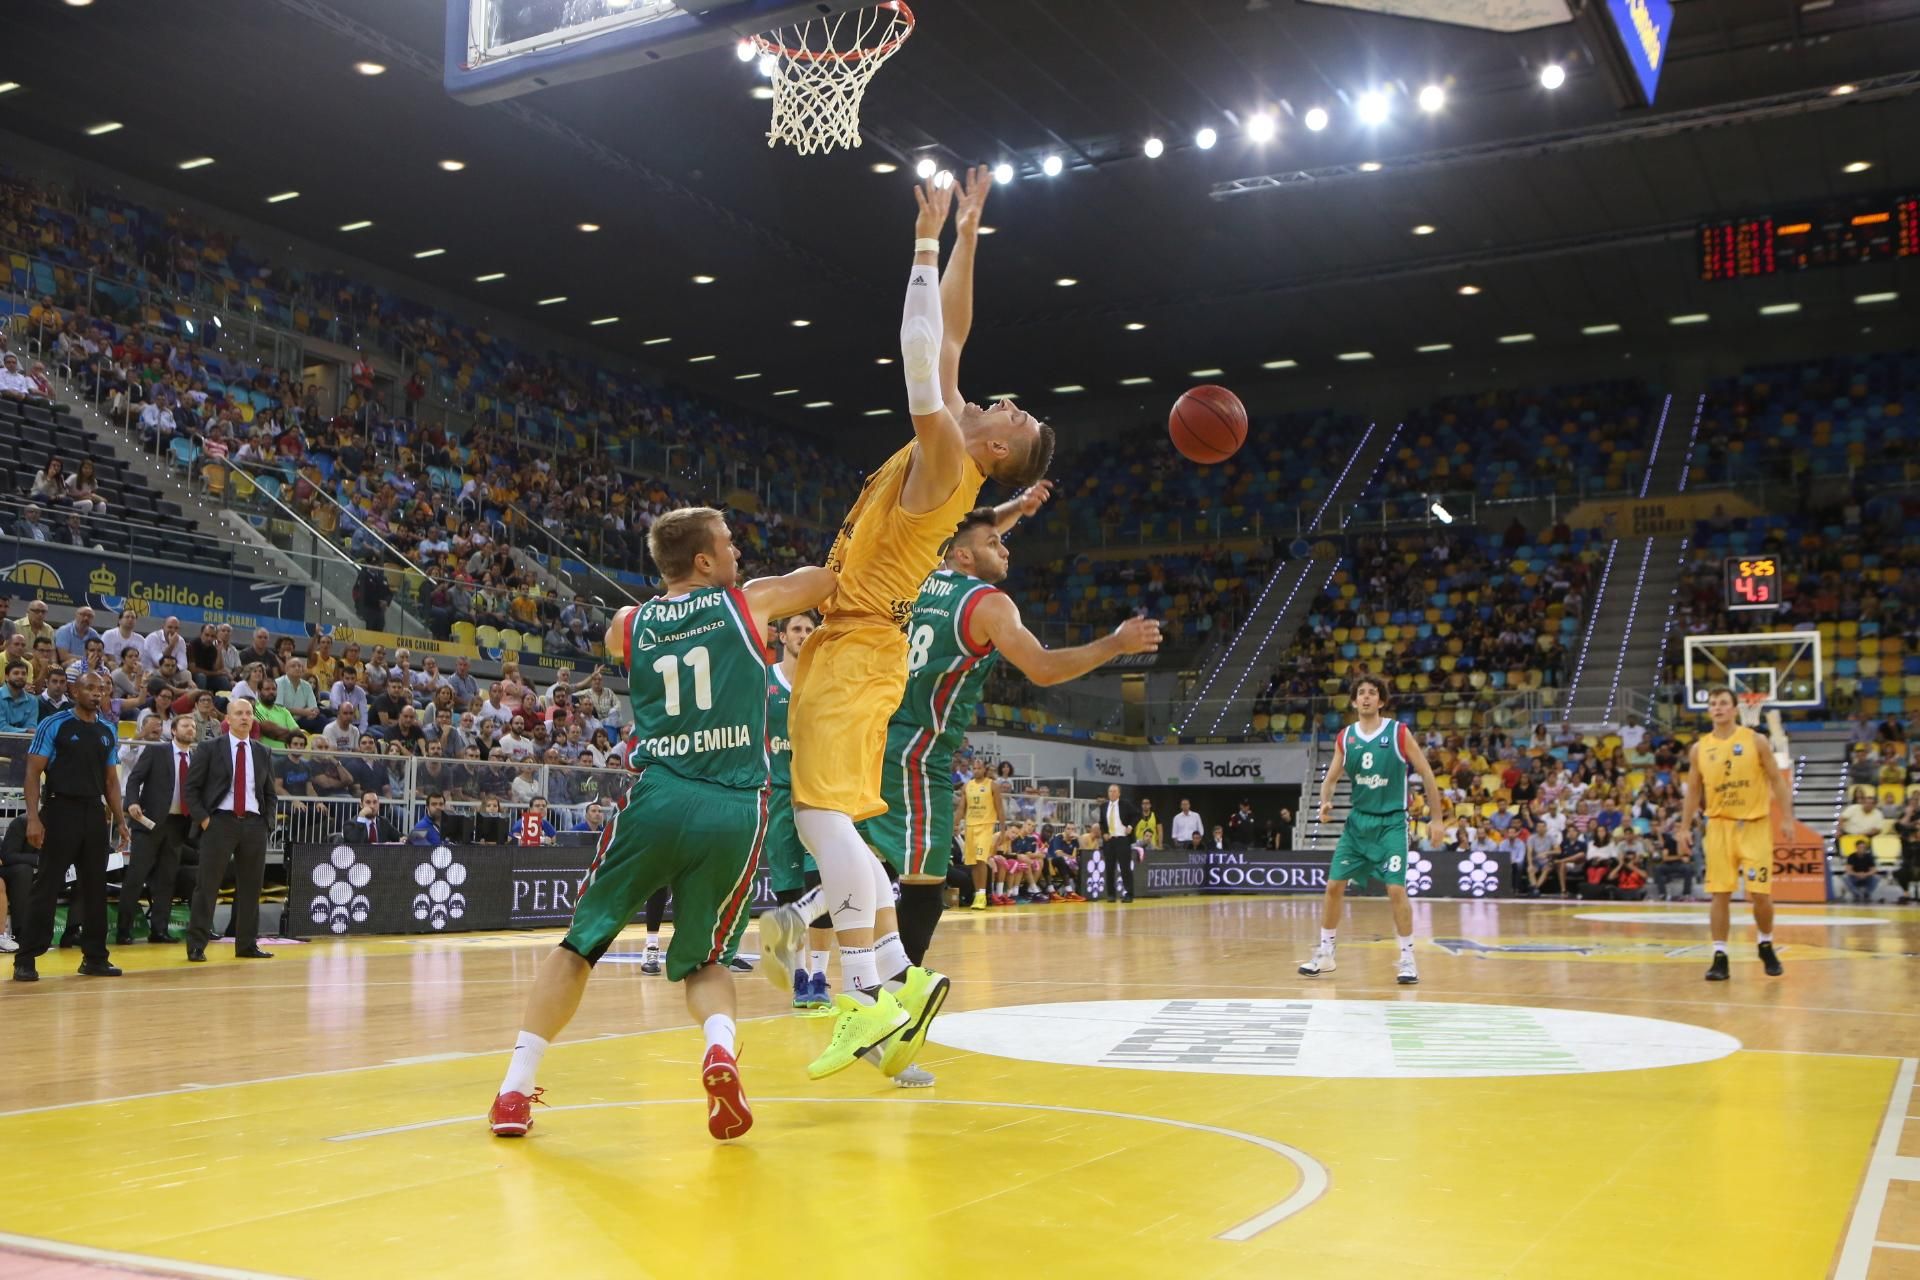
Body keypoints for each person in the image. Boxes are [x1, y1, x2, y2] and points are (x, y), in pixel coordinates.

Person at [768, 166, 1054, 1083]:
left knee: (822, 821)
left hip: (856, 649)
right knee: (830, 825)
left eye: (1010, 411)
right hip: (847, 645)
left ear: (997, 447)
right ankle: (885, 987)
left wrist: (924, 240)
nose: (998, 398)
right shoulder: (956, 457)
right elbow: (956, 328)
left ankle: (875, 986)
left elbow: (920, 343)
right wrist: (971, 231)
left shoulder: (945, 458)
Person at [489, 505, 835, 1142]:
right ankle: (719, 1052)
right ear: (705, 561)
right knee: (707, 961)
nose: (737, 552)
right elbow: (825, 579)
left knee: (579, 947)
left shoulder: (630, 623)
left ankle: (514, 1091)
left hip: (657, 796)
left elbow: (619, 640)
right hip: (734, 808)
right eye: (728, 543)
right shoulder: (750, 602)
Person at [1301, 676, 1450, 985]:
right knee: (1333, 886)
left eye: (1372, 693)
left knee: (1395, 889)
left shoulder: (1398, 732)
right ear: (1354, 702)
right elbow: (1330, 779)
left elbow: (1427, 774)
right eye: (1361, 693)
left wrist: (1437, 820)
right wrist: (1324, 804)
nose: (1366, 697)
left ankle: (1407, 958)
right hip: (1358, 824)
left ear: (1381, 701)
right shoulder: (1346, 737)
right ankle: (1326, 953)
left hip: (1391, 823)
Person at [12, 673, 129, 981]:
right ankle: (26, 958)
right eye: (90, 688)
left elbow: (111, 781)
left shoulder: (107, 730)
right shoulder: (55, 724)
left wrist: (120, 818)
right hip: (60, 809)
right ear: (75, 690)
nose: (96, 693)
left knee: (94, 887)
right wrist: (34, 818)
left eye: (101, 689)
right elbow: (32, 772)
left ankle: (95, 957)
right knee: (47, 885)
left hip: (94, 813)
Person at [1680, 687, 1794, 981]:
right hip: (1718, 826)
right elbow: (1693, 791)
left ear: (1735, 709)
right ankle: (1720, 955)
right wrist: (1683, 828)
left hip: (1754, 824)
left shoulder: (1756, 741)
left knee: (1760, 895)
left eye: (1723, 703)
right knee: (1720, 894)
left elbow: (1777, 781)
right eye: (1713, 704)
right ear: (1709, 711)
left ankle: (1765, 943)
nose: (1717, 708)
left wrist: (1787, 818)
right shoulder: (1699, 749)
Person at [759, 612, 836, 1016]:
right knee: (789, 892)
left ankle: (821, 976)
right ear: (782, 636)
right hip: (778, 795)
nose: (804, 635)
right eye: (797, 630)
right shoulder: (763, 680)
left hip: (816, 790)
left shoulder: (822, 681)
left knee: (818, 887)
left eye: (809, 630)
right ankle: (801, 976)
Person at [184, 697, 277, 962]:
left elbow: (270, 793)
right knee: (207, 886)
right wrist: (205, 820)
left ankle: (247, 944)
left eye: (249, 713)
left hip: (254, 824)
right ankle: (196, 945)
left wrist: (267, 822)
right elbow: (191, 789)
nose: (245, 717)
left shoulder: (262, 751)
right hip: (219, 823)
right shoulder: (210, 748)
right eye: (239, 713)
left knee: (251, 887)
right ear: (227, 718)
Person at [118, 713, 197, 945]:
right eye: (185, 725)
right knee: (135, 877)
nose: (190, 729)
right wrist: (132, 802)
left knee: (166, 879)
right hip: (149, 824)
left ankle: (159, 930)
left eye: (193, 726)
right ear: (173, 730)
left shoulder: (196, 758)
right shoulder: (156, 751)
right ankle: (123, 930)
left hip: (177, 825)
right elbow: (134, 779)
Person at [960, 756, 1004, 907]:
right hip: (970, 826)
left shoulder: (993, 785)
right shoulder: (967, 786)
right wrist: (953, 824)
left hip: (986, 825)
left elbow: (1000, 808)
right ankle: (977, 893)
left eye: (979, 768)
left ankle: (982, 895)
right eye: (974, 768)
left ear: (984, 769)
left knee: (981, 859)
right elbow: (961, 808)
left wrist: (1003, 830)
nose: (976, 770)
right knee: (973, 863)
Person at [1098, 784, 1141, 904]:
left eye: (1114, 791)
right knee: (1109, 868)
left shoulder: (1125, 804)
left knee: (1125, 868)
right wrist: (1104, 833)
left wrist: (1131, 826)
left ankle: (1129, 894)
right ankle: (1111, 894)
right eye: (1110, 791)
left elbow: (1137, 814)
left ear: (1119, 793)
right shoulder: (1104, 806)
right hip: (1109, 841)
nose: (1112, 793)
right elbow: (1101, 822)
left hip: (1122, 839)